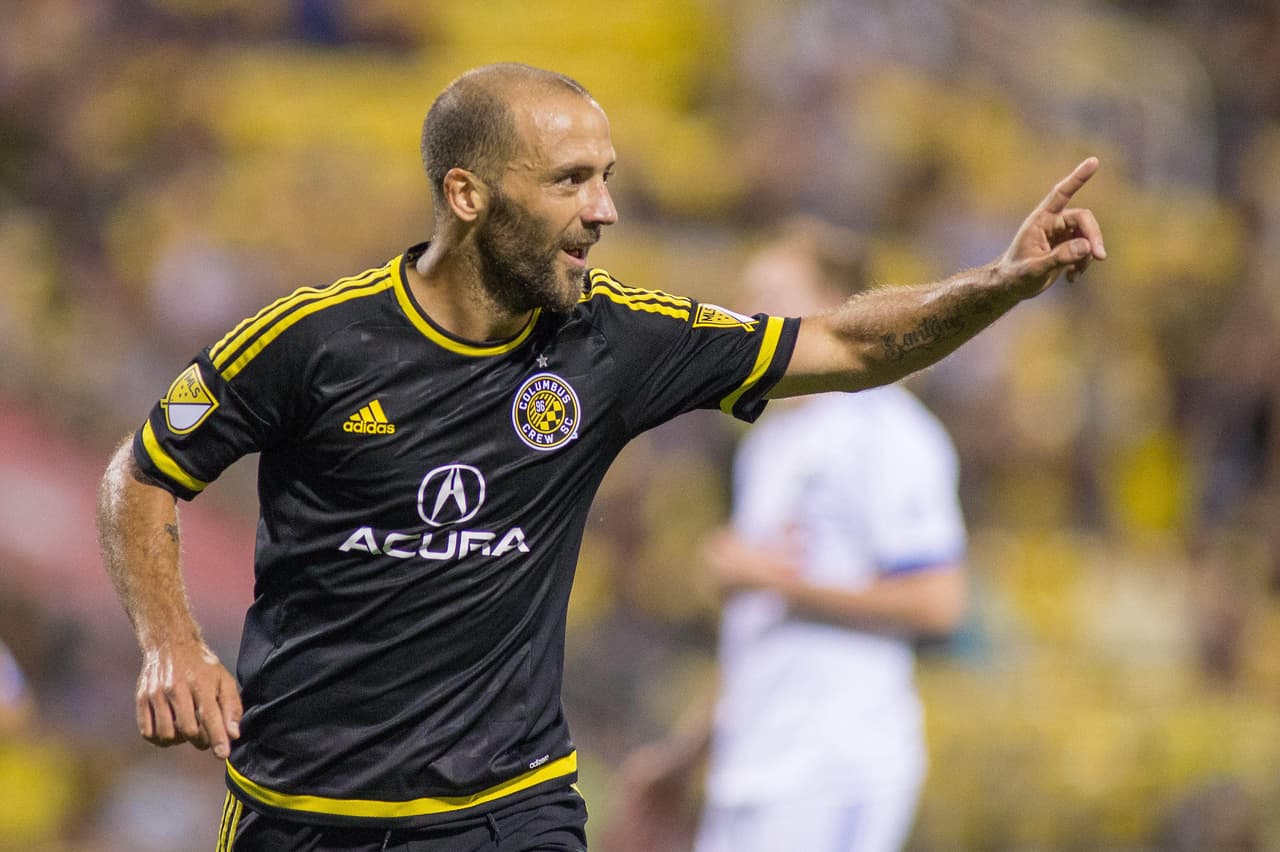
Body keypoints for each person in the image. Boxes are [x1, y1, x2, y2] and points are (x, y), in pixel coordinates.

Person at [94, 62, 1104, 852]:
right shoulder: (307, 341)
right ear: (468, 194)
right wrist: (170, 640)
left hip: (510, 807)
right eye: (570, 181)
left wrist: (999, 282)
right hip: (302, 804)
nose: (603, 210)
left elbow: (850, 342)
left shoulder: (614, 340)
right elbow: (140, 477)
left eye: (606, 178)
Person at [607, 220, 968, 852]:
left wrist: (771, 581)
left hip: (833, 769)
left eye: (770, 295)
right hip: (749, 773)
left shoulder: (888, 431)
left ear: (834, 309)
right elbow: (759, 633)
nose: (748, 317)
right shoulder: (770, 442)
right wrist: (686, 755)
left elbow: (938, 602)